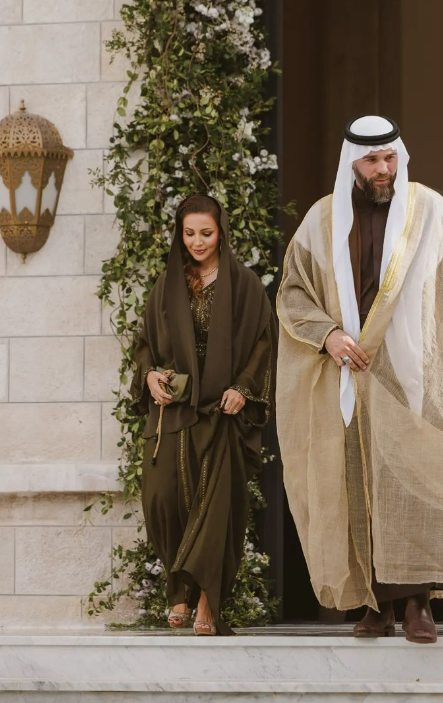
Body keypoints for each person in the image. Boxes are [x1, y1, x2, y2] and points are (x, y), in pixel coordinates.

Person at [276, 115, 443, 644]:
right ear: (352, 162)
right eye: (372, 160)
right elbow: (293, 291)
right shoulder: (321, 220)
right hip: (350, 373)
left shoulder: (430, 211)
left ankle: (418, 604)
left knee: (414, 489)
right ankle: (375, 604)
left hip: (413, 374)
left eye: (390, 158)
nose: (383, 169)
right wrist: (327, 335)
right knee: (357, 484)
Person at [131, 194, 275, 636]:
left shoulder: (244, 284)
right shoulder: (167, 284)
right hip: (174, 409)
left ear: (221, 233)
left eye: (206, 233)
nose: (197, 242)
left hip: (221, 411)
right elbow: (144, 343)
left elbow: (263, 344)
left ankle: (207, 602)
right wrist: (149, 375)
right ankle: (180, 586)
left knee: (216, 508)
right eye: (189, 233)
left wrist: (243, 389)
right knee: (162, 499)